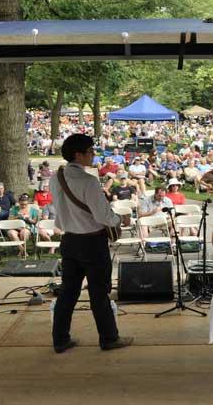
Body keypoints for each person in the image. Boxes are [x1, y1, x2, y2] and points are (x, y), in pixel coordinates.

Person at [50, 133, 132, 353]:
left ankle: (60, 339)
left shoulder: (55, 177)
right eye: (90, 151)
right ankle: (109, 338)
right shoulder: (88, 181)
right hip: (92, 242)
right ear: (79, 155)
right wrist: (119, 219)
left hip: (69, 240)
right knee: (99, 293)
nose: (93, 155)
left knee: (68, 292)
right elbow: (104, 217)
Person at [8, 193, 39, 258]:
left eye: (25, 204)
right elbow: (9, 219)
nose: (23, 206)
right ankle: (23, 250)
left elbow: (35, 222)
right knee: (11, 233)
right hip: (15, 227)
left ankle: (21, 251)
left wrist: (28, 219)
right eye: (22, 204)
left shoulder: (33, 210)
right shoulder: (14, 209)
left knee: (23, 232)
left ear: (28, 203)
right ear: (19, 202)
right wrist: (17, 216)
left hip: (27, 227)